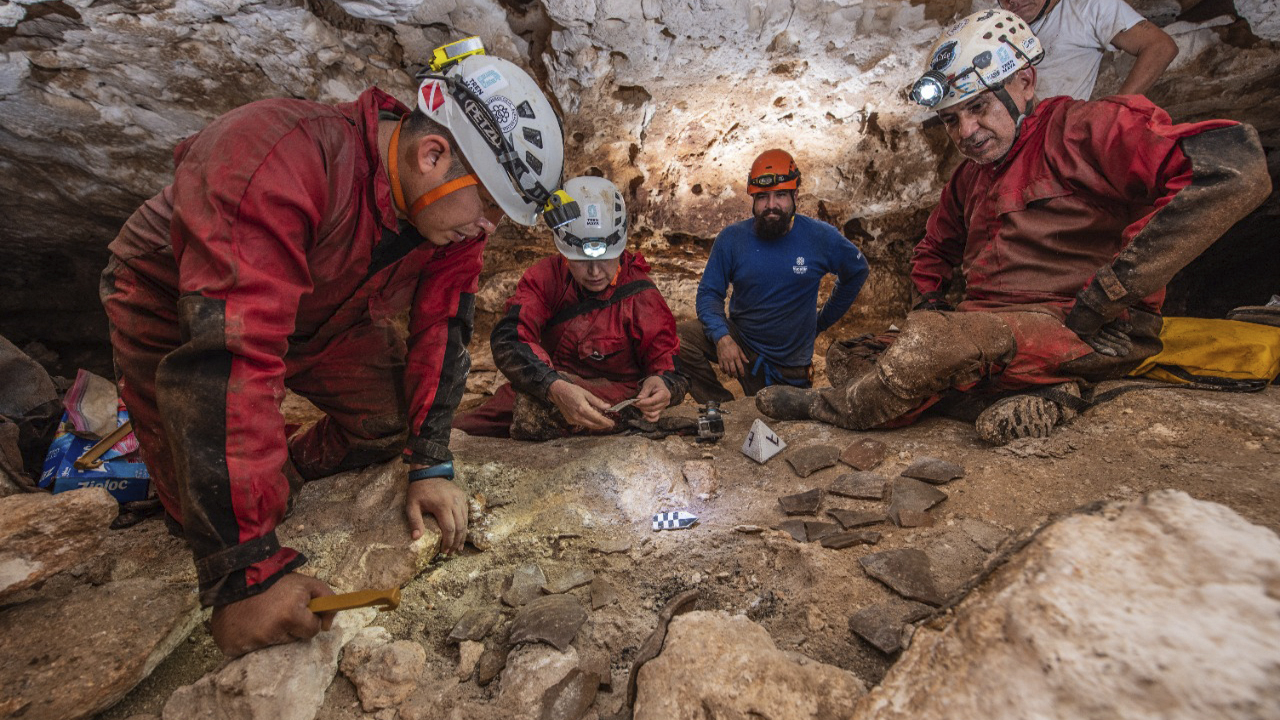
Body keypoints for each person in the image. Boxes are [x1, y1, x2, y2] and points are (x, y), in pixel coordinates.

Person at [99, 38, 566, 657]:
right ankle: (243, 504)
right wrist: (246, 578)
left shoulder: (448, 225)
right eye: (490, 207)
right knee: (201, 510)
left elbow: (442, 329)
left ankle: (278, 472)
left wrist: (429, 461)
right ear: (433, 154)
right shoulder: (277, 153)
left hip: (323, 311)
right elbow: (229, 356)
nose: (487, 229)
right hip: (180, 304)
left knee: (386, 424)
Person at [756, 9, 1269, 444]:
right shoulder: (969, 178)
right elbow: (934, 248)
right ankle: (1038, 391)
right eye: (952, 119)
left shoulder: (1086, 127)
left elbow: (1233, 172)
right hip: (991, 329)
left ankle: (827, 409)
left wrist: (1109, 294)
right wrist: (931, 305)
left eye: (977, 108)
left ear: (1024, 82)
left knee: (929, 349)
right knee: (855, 353)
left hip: (1081, 327)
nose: (966, 132)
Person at [453, 176, 688, 440]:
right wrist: (553, 385)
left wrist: (664, 384)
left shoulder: (641, 295)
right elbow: (510, 340)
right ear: (564, 252)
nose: (595, 272)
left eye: (606, 259)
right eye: (581, 261)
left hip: (612, 397)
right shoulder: (544, 279)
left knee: (536, 415)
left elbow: (669, 366)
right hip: (546, 384)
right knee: (459, 432)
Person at [677, 150, 869, 403]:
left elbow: (857, 271)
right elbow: (709, 294)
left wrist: (820, 322)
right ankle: (722, 407)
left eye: (780, 195)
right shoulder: (732, 239)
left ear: (795, 196)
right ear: (753, 200)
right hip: (741, 346)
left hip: (787, 366)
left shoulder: (820, 237)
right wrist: (722, 337)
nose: (771, 205)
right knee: (676, 339)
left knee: (777, 431)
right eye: (762, 197)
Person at [999, 0, 1178, 100]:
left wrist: (1116, 110)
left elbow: (1160, 47)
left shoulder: (1088, 6)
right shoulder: (995, 22)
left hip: (1048, 135)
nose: (1012, 1)